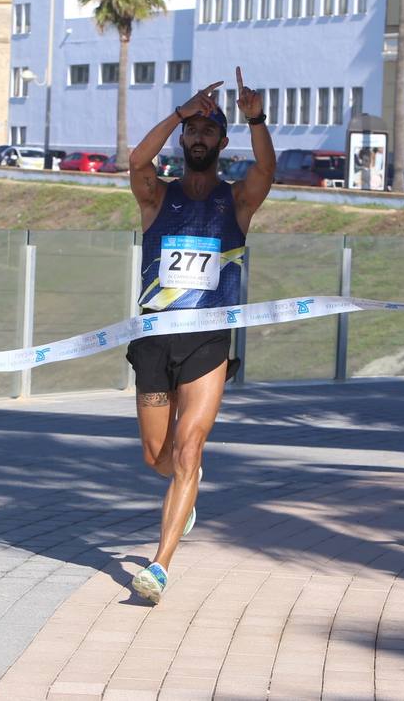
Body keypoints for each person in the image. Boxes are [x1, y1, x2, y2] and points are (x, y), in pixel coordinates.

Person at [124, 67, 275, 605]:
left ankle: (159, 566)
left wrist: (255, 116)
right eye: (193, 130)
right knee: (156, 455)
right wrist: (178, 111)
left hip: (208, 342)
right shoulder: (155, 197)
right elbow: (136, 161)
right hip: (154, 339)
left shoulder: (237, 202)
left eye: (210, 130)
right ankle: (187, 491)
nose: (199, 137)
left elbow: (267, 168)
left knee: (188, 449)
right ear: (184, 139)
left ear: (222, 141)